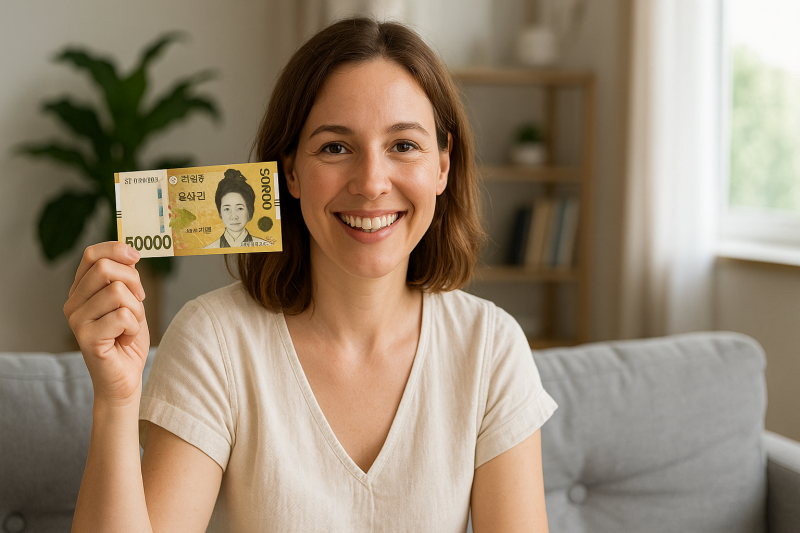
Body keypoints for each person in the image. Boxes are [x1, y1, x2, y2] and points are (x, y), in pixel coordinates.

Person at [64, 17, 557, 533]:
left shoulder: (491, 348)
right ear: (291, 172)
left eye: (404, 145)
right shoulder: (214, 339)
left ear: (442, 165)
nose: (371, 183)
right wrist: (116, 402)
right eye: (335, 148)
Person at [203, 168, 269, 248]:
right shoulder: (209, 248)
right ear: (220, 212)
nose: (234, 216)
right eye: (227, 209)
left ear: (249, 210)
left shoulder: (266, 246)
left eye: (240, 208)